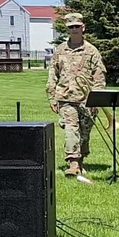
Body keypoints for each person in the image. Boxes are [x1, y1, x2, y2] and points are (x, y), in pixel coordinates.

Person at [46, 12, 106, 177]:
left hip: (87, 100)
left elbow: (99, 76)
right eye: (71, 27)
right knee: (71, 129)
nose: (74, 30)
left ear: (83, 28)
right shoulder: (60, 50)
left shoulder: (91, 51)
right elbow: (53, 75)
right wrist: (52, 97)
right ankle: (73, 163)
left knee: (84, 133)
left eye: (77, 26)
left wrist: (96, 99)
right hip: (65, 98)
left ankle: (80, 161)